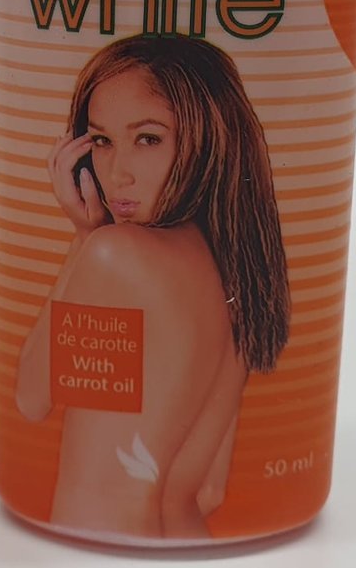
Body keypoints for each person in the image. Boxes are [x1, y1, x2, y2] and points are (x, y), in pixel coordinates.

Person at [15, 33, 291, 540]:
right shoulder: (238, 278)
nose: (117, 172)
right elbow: (208, 493)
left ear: (206, 139)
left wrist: (85, 237)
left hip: (101, 546)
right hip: (189, 544)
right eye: (101, 141)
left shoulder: (114, 254)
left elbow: (32, 398)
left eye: (147, 139)